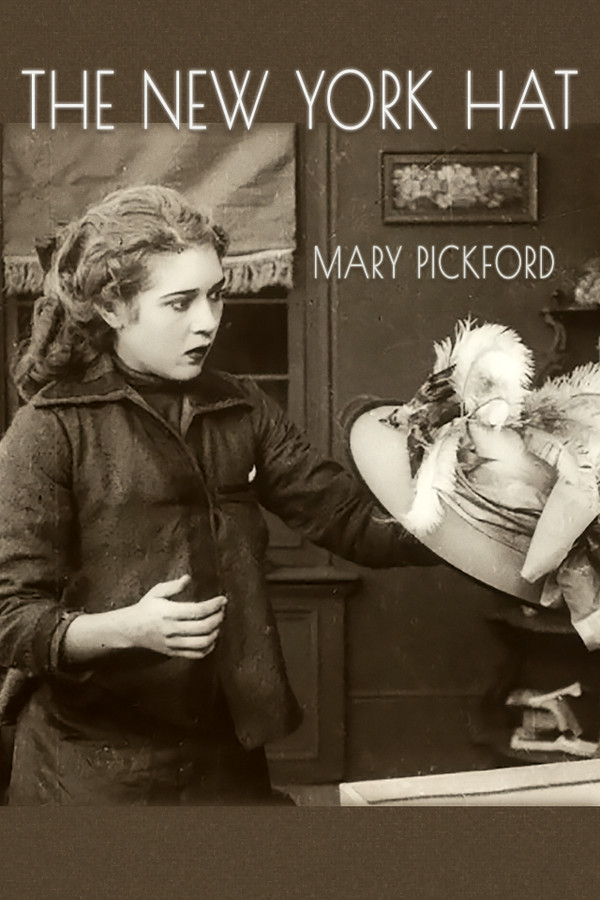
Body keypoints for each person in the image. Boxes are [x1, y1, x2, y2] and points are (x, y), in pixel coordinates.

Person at [0, 185, 434, 806]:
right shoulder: (49, 428)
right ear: (113, 307)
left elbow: (349, 522)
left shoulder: (239, 406)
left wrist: (487, 524)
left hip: (224, 754)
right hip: (87, 768)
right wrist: (124, 629)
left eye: (216, 294)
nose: (207, 321)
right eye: (180, 302)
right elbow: (9, 617)